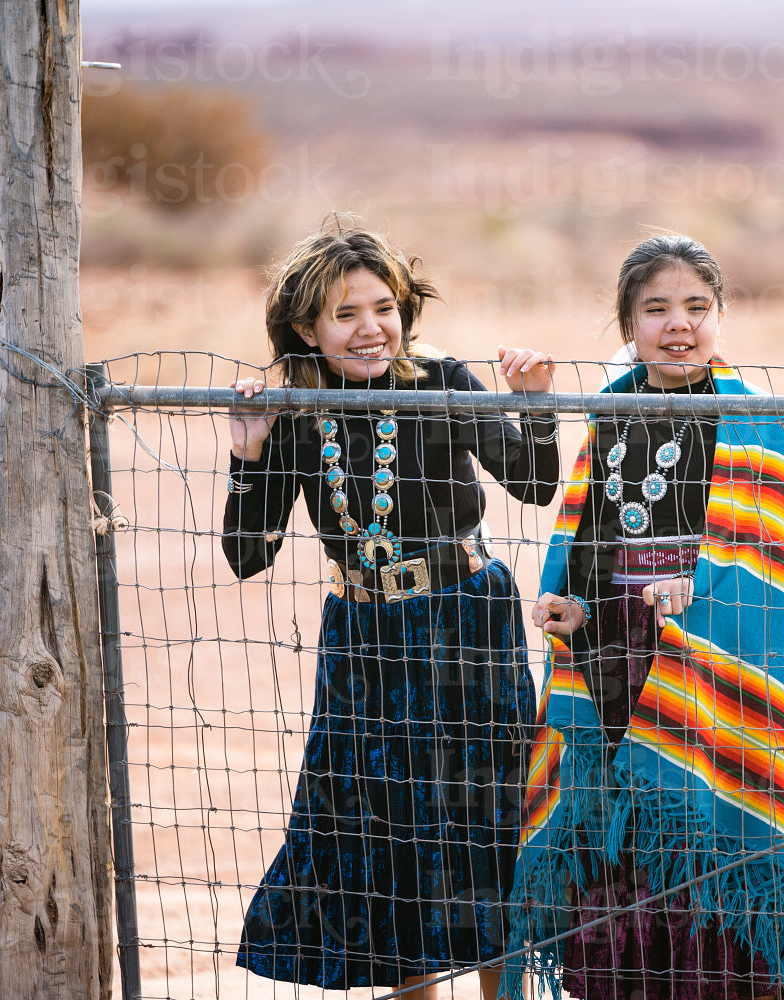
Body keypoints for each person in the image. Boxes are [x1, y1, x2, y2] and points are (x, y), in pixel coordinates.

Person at [508, 234, 784, 1000]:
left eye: (696, 307)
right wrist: (572, 604)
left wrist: (707, 590)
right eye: (656, 309)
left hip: (728, 670)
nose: (677, 325)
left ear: (721, 315)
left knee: (716, 837)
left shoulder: (754, 421)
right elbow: (590, 541)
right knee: (629, 840)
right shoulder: (610, 410)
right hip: (618, 665)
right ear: (628, 323)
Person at [221, 220, 559, 999]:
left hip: (466, 618)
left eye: (384, 307)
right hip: (362, 632)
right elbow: (248, 554)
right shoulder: (295, 409)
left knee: (482, 805)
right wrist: (248, 454)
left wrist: (534, 408)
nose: (370, 328)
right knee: (379, 818)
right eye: (345, 314)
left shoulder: (440, 377)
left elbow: (534, 484)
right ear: (307, 327)